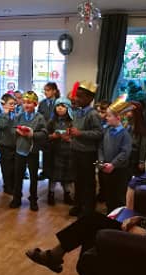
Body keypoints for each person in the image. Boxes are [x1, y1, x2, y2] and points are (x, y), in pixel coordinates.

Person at [26, 150, 146, 275]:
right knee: (91, 222)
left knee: (94, 225)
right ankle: (74, 272)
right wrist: (139, 219)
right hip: (142, 228)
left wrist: (139, 229)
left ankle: (59, 259)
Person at [68, 81, 103, 217]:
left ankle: (88, 208)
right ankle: (78, 205)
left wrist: (80, 133)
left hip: (88, 153)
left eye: (80, 97)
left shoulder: (93, 114)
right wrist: (71, 132)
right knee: (77, 180)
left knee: (88, 181)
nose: (76, 99)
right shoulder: (77, 112)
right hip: (75, 150)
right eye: (76, 96)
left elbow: (99, 133)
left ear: (90, 99)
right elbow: (76, 129)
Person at [9, 91, 47, 211]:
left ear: (35, 104)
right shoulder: (19, 116)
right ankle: (16, 198)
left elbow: (44, 133)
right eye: (24, 102)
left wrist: (32, 134)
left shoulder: (39, 117)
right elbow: (12, 128)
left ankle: (33, 199)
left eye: (29, 103)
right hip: (20, 150)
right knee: (18, 176)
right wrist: (17, 131)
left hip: (32, 152)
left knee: (33, 177)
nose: (26, 105)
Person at [97, 99, 132, 212]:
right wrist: (102, 161)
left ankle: (118, 217)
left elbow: (125, 152)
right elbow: (101, 147)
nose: (106, 118)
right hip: (107, 169)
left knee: (119, 196)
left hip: (119, 170)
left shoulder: (125, 134)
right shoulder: (106, 130)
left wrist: (113, 164)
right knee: (109, 194)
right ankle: (110, 212)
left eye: (109, 116)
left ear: (118, 117)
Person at [45, 97, 75, 206]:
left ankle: (67, 194)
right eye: (58, 106)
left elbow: (76, 136)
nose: (60, 108)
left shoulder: (72, 121)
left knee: (67, 176)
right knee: (53, 176)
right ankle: (51, 194)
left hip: (68, 152)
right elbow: (45, 135)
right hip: (55, 152)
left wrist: (69, 138)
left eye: (63, 106)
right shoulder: (52, 121)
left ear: (68, 108)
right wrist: (53, 136)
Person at [38, 82, 60, 181]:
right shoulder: (42, 103)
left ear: (54, 91)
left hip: (56, 131)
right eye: (45, 90)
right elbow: (39, 117)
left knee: (55, 153)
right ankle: (45, 172)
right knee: (46, 153)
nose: (45, 92)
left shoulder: (59, 102)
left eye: (48, 90)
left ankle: (54, 173)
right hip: (45, 132)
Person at [0, 93, 17, 195]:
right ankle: (7, 186)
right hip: (5, 145)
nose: (13, 106)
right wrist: (5, 114)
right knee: (6, 167)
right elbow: (2, 125)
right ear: (4, 105)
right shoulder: (1, 115)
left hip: (14, 145)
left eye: (14, 104)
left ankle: (13, 185)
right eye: (11, 104)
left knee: (14, 167)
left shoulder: (16, 115)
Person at [124, 101, 146, 177]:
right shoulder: (125, 123)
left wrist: (141, 161)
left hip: (135, 156)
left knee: (135, 179)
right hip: (125, 155)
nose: (127, 112)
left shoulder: (141, 127)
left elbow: (143, 146)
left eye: (129, 110)